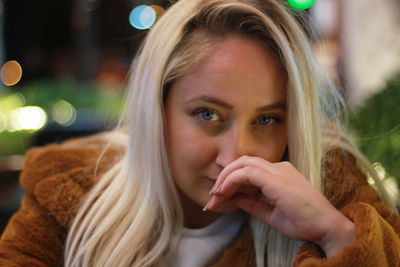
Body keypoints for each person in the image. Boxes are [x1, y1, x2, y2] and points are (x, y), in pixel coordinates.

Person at [1, 0, 399, 266]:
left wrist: (338, 237)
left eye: (267, 119)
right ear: (156, 110)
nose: (237, 157)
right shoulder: (70, 197)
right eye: (208, 114)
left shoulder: (335, 192)